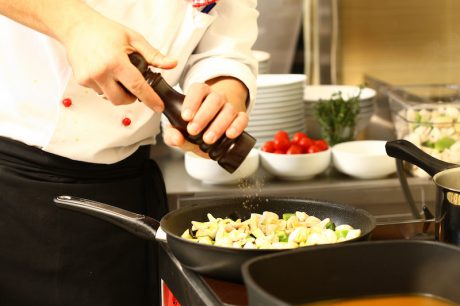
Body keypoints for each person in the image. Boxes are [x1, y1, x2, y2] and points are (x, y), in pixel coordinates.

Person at [0, 0, 258, 305]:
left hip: (123, 195)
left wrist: (222, 91)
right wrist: (75, 23)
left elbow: (224, 43)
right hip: (11, 184)